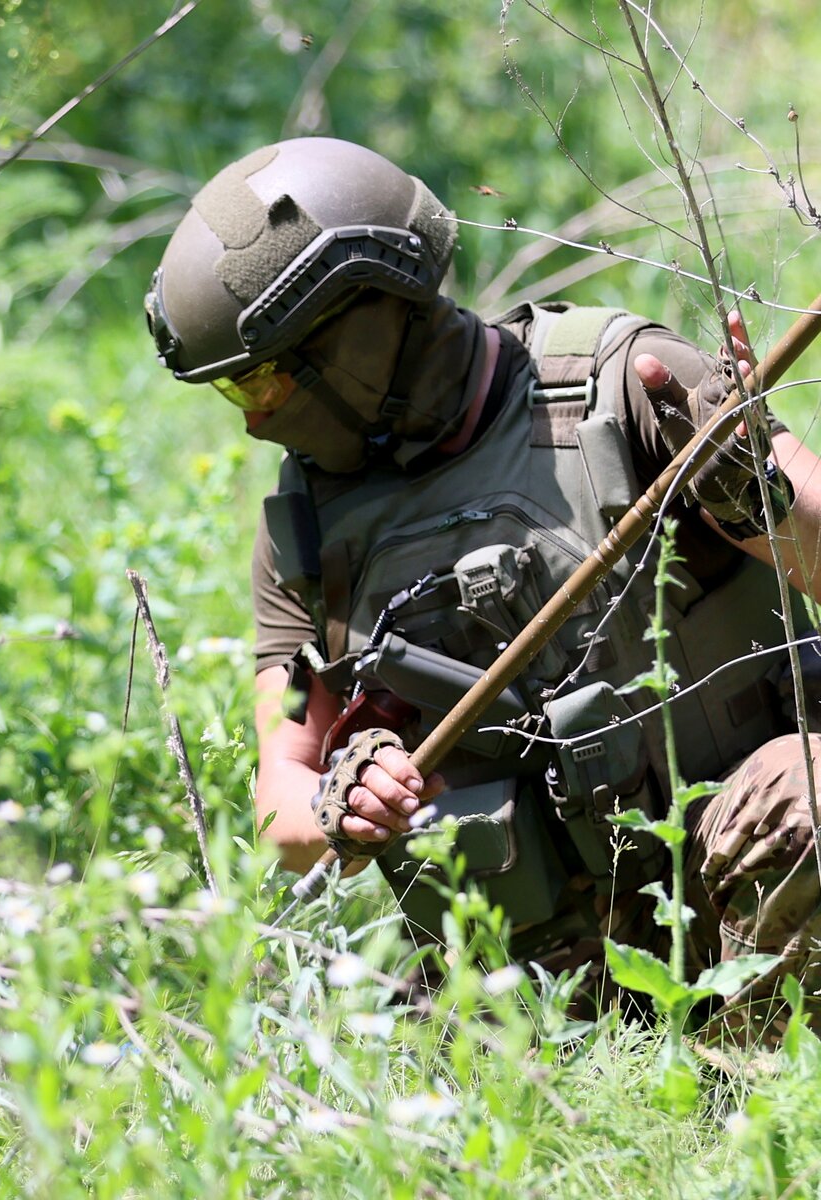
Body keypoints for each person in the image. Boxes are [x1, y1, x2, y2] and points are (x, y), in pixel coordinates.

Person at [144, 136, 821, 1033]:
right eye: (236, 394)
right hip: (526, 989)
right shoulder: (306, 534)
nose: (257, 424)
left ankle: (757, 1085)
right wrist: (342, 803)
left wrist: (762, 496)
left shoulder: (624, 386)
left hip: (737, 886)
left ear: (369, 319)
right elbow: (284, 794)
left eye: (263, 380)